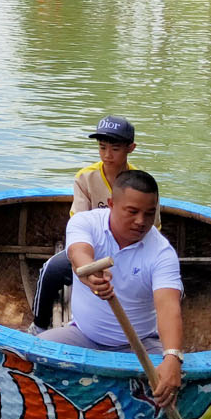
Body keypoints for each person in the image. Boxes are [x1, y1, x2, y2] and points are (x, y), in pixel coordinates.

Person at [42, 170, 184, 407]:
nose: (141, 221)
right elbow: (79, 253)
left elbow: (168, 306)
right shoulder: (84, 222)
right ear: (111, 204)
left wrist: (173, 356)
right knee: (28, 358)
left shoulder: (162, 252)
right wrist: (88, 272)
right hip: (82, 335)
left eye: (149, 214)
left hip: (139, 345)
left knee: (169, 382)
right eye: (132, 212)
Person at [30, 116, 138, 332]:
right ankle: (38, 325)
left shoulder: (140, 182)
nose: (107, 155)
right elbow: (78, 223)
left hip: (127, 251)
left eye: (115, 148)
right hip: (90, 248)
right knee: (50, 270)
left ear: (130, 148)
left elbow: (148, 229)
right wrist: (88, 259)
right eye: (102, 147)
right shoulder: (85, 178)